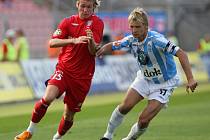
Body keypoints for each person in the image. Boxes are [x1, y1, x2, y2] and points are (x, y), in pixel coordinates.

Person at [97, 7, 198, 140]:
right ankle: (107, 136)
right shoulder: (131, 39)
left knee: (144, 120)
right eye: (131, 27)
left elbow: (181, 54)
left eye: (137, 27)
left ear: (145, 26)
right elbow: (113, 45)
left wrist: (190, 79)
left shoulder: (157, 40)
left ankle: (128, 139)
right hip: (145, 79)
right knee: (124, 107)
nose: (133, 31)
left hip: (164, 83)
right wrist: (100, 50)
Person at [14, 0, 104, 140]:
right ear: (77, 5)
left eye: (89, 7)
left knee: (69, 115)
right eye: (83, 6)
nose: (85, 10)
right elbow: (52, 42)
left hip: (82, 76)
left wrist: (91, 40)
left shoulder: (97, 23)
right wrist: (73, 40)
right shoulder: (68, 22)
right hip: (64, 69)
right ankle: (29, 131)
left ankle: (57, 138)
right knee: (47, 98)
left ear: (94, 7)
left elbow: (93, 52)